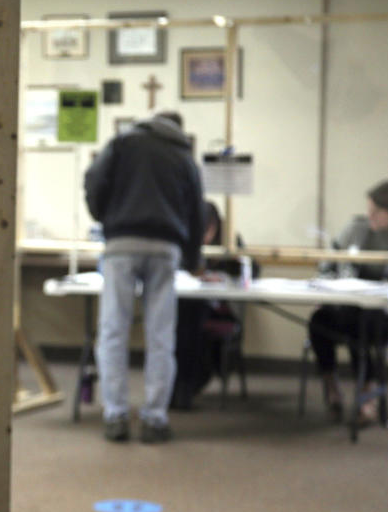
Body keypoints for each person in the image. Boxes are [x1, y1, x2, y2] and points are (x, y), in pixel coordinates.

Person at [84, 111, 203, 443]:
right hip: (166, 247)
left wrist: (105, 216)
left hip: (122, 242)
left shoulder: (123, 143)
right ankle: (154, 418)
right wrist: (193, 259)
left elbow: (94, 179)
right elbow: (197, 210)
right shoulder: (183, 156)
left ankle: (116, 415)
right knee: (161, 336)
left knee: (112, 331)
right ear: (178, 129)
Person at [309, 179, 388, 424]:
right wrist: (322, 291)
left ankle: (369, 396)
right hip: (348, 306)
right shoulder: (355, 229)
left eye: (377, 212)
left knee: (366, 327)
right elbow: (328, 264)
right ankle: (333, 388)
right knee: (318, 323)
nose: (370, 216)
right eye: (369, 209)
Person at [171, 201, 259, 409]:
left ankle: (185, 386)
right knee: (184, 320)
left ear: (216, 226)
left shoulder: (229, 239)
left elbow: (252, 270)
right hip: (187, 303)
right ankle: (179, 386)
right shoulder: (184, 237)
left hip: (219, 309)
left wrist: (220, 275)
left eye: (209, 231)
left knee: (191, 323)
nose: (205, 238)